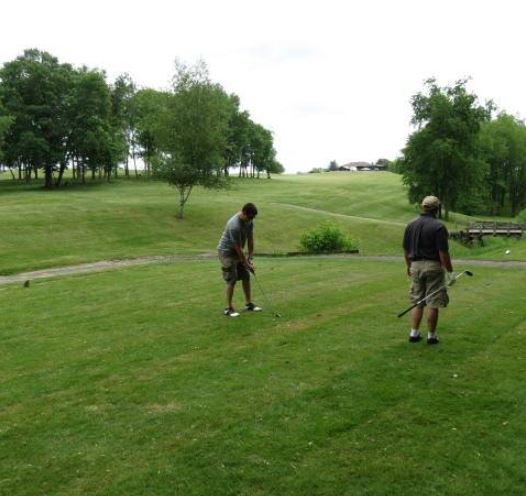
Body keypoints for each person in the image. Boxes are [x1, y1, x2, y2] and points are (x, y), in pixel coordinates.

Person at [402, 195, 453, 344]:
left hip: (415, 266)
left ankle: (414, 333)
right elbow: (443, 252)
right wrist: (450, 270)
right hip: (433, 267)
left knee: (417, 301)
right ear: (436, 209)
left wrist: (409, 267)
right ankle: (431, 336)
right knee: (432, 301)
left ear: (423, 207)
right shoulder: (439, 227)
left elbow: (406, 250)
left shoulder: (410, 225)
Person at [217, 203, 262, 317]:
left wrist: (250, 258)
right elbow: (238, 248)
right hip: (226, 252)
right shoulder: (234, 225)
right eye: (249, 217)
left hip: (237, 251)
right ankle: (228, 308)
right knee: (232, 277)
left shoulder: (250, 221)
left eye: (252, 218)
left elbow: (250, 239)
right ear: (243, 212)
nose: (250, 220)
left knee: (246, 276)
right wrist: (246, 263)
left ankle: (248, 303)